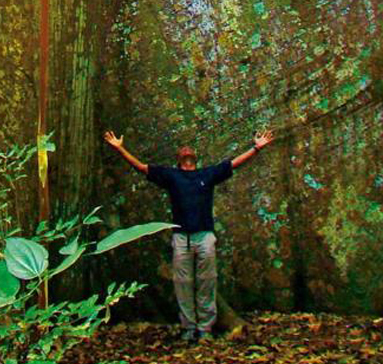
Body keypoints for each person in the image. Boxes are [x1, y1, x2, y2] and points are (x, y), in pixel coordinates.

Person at [102, 129, 275, 342]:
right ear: (178, 159)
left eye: (189, 149)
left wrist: (256, 148)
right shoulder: (171, 176)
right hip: (181, 237)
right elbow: (141, 167)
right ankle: (188, 327)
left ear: (195, 156)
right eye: (182, 150)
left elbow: (232, 164)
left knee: (207, 281)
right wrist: (120, 149)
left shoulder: (207, 175)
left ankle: (205, 328)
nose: (186, 150)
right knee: (182, 283)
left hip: (204, 236)